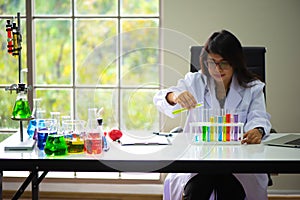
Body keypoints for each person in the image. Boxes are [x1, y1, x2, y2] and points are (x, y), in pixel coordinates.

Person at [153, 29, 271, 200]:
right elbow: (161, 98)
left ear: (235, 62)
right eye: (212, 62)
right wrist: (174, 97)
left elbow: (259, 117)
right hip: (199, 158)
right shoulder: (195, 81)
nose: (217, 69)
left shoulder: (252, 88)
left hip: (238, 159)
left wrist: (257, 130)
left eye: (224, 63)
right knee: (196, 189)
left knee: (229, 189)